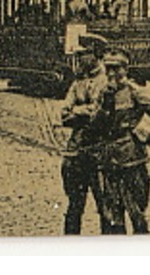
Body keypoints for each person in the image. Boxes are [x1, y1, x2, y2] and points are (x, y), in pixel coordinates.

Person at [83, 50, 150, 234]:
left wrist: (147, 139)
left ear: (126, 69)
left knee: (137, 213)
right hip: (109, 161)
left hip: (132, 160)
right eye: (108, 69)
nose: (112, 74)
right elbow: (95, 125)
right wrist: (104, 107)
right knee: (113, 215)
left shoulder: (134, 92)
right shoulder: (103, 94)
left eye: (116, 69)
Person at [58, 43, 109, 235]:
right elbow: (64, 114)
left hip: (100, 153)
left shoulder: (106, 82)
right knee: (74, 207)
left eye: (82, 55)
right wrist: (82, 112)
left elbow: (98, 115)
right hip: (76, 152)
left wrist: (77, 112)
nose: (78, 59)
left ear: (94, 55)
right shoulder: (77, 83)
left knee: (106, 208)